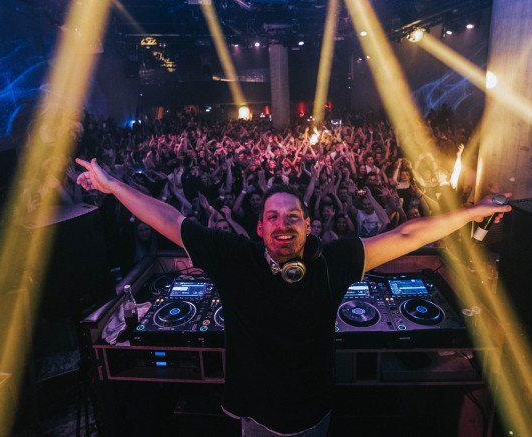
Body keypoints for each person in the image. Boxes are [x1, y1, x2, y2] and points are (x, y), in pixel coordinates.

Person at [75, 158, 509, 437]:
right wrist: (113, 186)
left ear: (308, 227)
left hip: (313, 413)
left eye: (293, 217)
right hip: (255, 413)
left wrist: (473, 211)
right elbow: (170, 218)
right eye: (273, 217)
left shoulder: (333, 262)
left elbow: (407, 235)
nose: (283, 224)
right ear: (260, 228)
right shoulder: (233, 257)